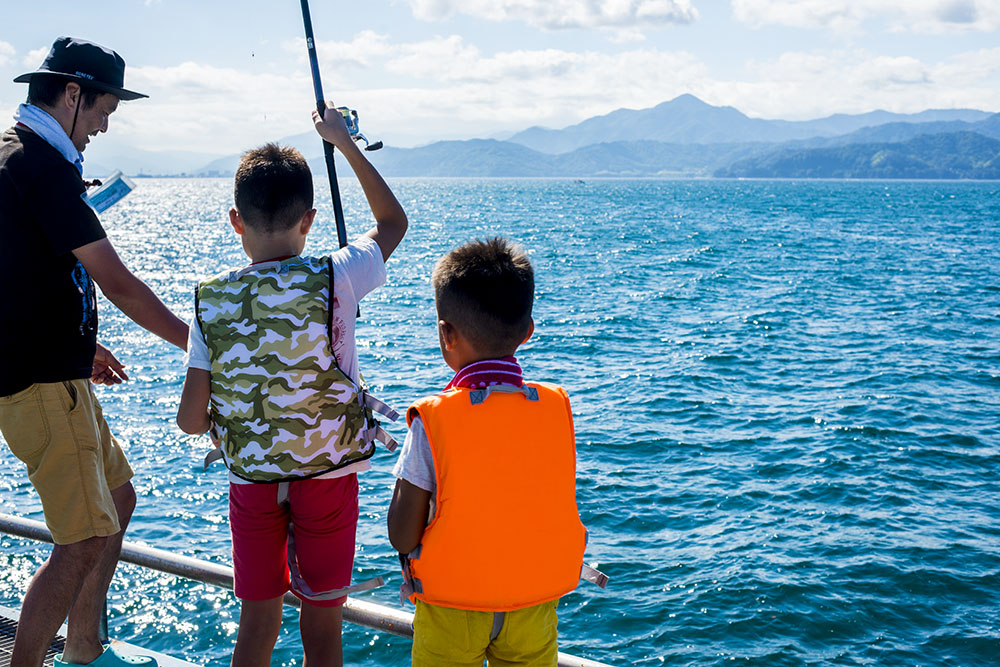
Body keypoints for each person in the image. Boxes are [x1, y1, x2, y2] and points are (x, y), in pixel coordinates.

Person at [175, 105, 407, 667]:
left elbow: (190, 418)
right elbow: (393, 223)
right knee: (321, 628)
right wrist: (344, 142)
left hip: (253, 483)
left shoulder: (211, 298)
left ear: (237, 221)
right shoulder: (339, 273)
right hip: (328, 477)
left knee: (257, 623)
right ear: (308, 219)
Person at [0, 37, 189, 667]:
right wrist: (202, 348)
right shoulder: (45, 171)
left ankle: (83, 648)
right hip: (41, 386)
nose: (105, 126)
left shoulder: (12, 158)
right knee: (81, 541)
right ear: (74, 94)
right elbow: (119, 282)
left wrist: (85, 342)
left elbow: (21, 276)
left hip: (56, 370)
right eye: (105, 109)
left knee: (120, 496)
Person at [387, 238, 602, 667]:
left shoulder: (434, 420)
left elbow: (402, 533)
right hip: (532, 609)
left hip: (452, 612)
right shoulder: (556, 408)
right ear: (528, 331)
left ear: (446, 334)